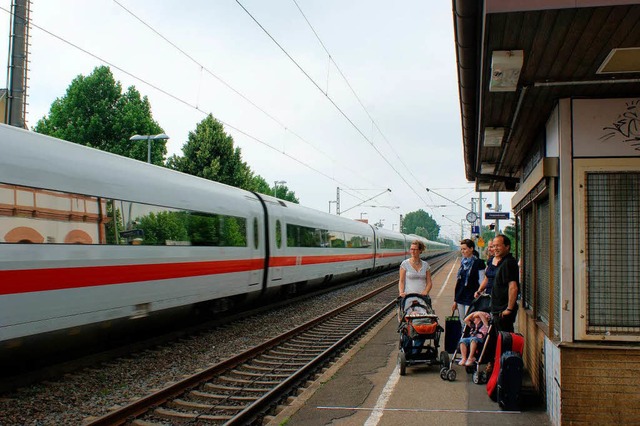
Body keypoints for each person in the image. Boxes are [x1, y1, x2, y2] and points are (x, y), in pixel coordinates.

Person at [489, 234, 520, 332]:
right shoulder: (502, 262)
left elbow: (513, 287)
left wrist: (509, 309)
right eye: (493, 246)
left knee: (504, 338)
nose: (495, 248)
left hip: (503, 310)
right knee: (499, 340)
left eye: (498, 245)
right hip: (498, 309)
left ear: (507, 246)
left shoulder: (508, 263)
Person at [452, 239, 485, 324]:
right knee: (462, 321)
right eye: (461, 249)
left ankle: (470, 337)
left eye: (465, 249)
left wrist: (480, 295)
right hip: (461, 296)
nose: (462, 251)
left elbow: (482, 281)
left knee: (470, 321)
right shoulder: (463, 263)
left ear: (471, 249)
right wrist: (455, 300)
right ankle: (463, 337)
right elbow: (459, 282)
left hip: (471, 297)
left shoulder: (479, 263)